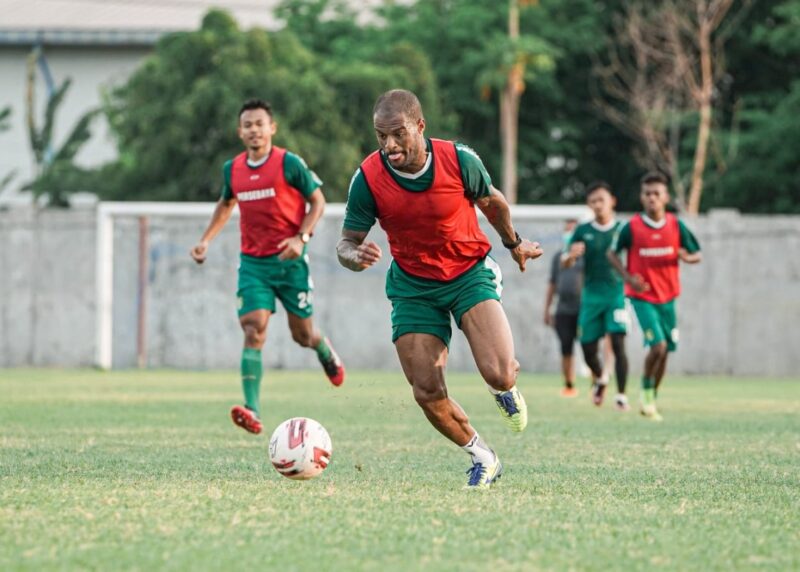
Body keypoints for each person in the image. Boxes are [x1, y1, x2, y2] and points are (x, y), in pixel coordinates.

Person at [336, 89, 543, 488]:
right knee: (426, 390)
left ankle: (504, 390)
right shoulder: (368, 178)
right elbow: (346, 242)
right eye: (381, 136)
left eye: (398, 133)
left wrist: (514, 244)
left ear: (420, 126)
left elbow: (493, 204)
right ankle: (483, 457)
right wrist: (353, 255)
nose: (389, 145)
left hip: (468, 273)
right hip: (413, 285)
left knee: (500, 373)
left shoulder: (459, 160)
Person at [190, 99, 345, 435]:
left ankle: (323, 348)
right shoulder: (233, 169)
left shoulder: (289, 163)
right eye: (247, 125)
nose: (254, 130)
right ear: (239, 131)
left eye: (260, 124)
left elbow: (317, 201)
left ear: (272, 128)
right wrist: (206, 240)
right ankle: (252, 409)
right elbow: (226, 203)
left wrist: (301, 238)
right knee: (253, 328)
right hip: (253, 265)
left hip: (291, 263)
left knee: (302, 335)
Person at [608, 172, 701, 421]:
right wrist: (628, 278)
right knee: (657, 346)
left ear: (665, 197)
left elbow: (697, 254)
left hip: (668, 298)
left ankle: (651, 397)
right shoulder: (632, 227)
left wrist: (685, 256)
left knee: (665, 350)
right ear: (642, 197)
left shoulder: (676, 225)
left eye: (657, 194)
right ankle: (646, 393)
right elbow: (612, 253)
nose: (652, 198)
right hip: (642, 297)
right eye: (647, 194)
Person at [562, 182, 630, 411]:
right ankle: (601, 377)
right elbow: (564, 262)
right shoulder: (582, 231)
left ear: (612, 201)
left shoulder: (623, 229)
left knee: (618, 343)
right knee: (587, 346)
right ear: (589, 205)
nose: (598, 205)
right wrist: (571, 256)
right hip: (591, 296)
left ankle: (621, 396)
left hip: (617, 295)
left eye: (602, 200)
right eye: (593, 201)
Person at [544, 219, 583, 397]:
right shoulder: (558, 257)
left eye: (572, 231)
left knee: (589, 347)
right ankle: (569, 384)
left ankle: (596, 383)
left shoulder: (587, 257)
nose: (569, 235)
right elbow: (552, 284)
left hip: (584, 309)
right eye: (567, 231)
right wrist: (547, 309)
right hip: (563, 310)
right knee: (566, 347)